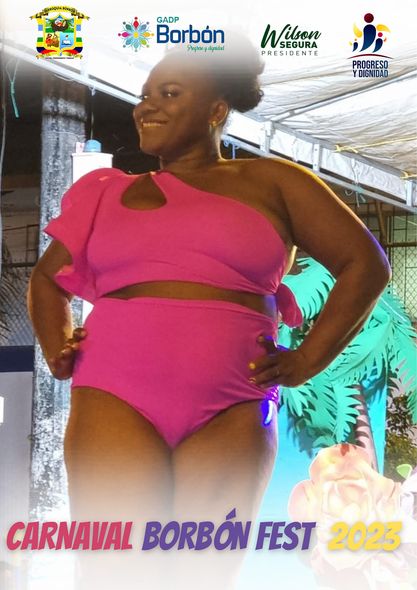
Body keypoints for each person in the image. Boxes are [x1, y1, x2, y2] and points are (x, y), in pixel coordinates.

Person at [27, 34, 391, 590]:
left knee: (203, 573)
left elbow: (365, 264)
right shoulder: (103, 192)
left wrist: (307, 360)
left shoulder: (275, 182)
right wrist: (57, 344)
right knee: (115, 570)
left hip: (235, 400)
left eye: (169, 93)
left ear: (216, 111)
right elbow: (47, 279)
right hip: (114, 393)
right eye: (144, 95)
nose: (146, 107)